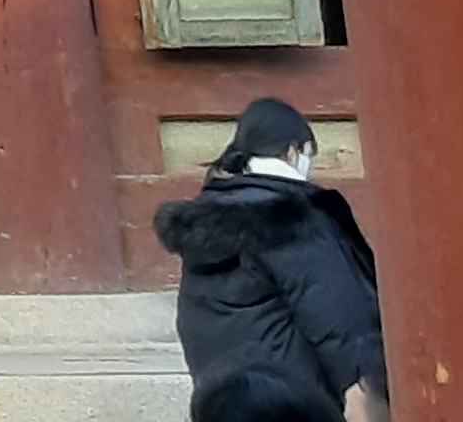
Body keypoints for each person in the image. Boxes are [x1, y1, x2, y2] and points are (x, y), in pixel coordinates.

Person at [156, 98, 385, 422]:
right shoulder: (296, 217)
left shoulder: (207, 221)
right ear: (293, 151)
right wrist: (366, 387)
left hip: (230, 404)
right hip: (296, 404)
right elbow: (338, 318)